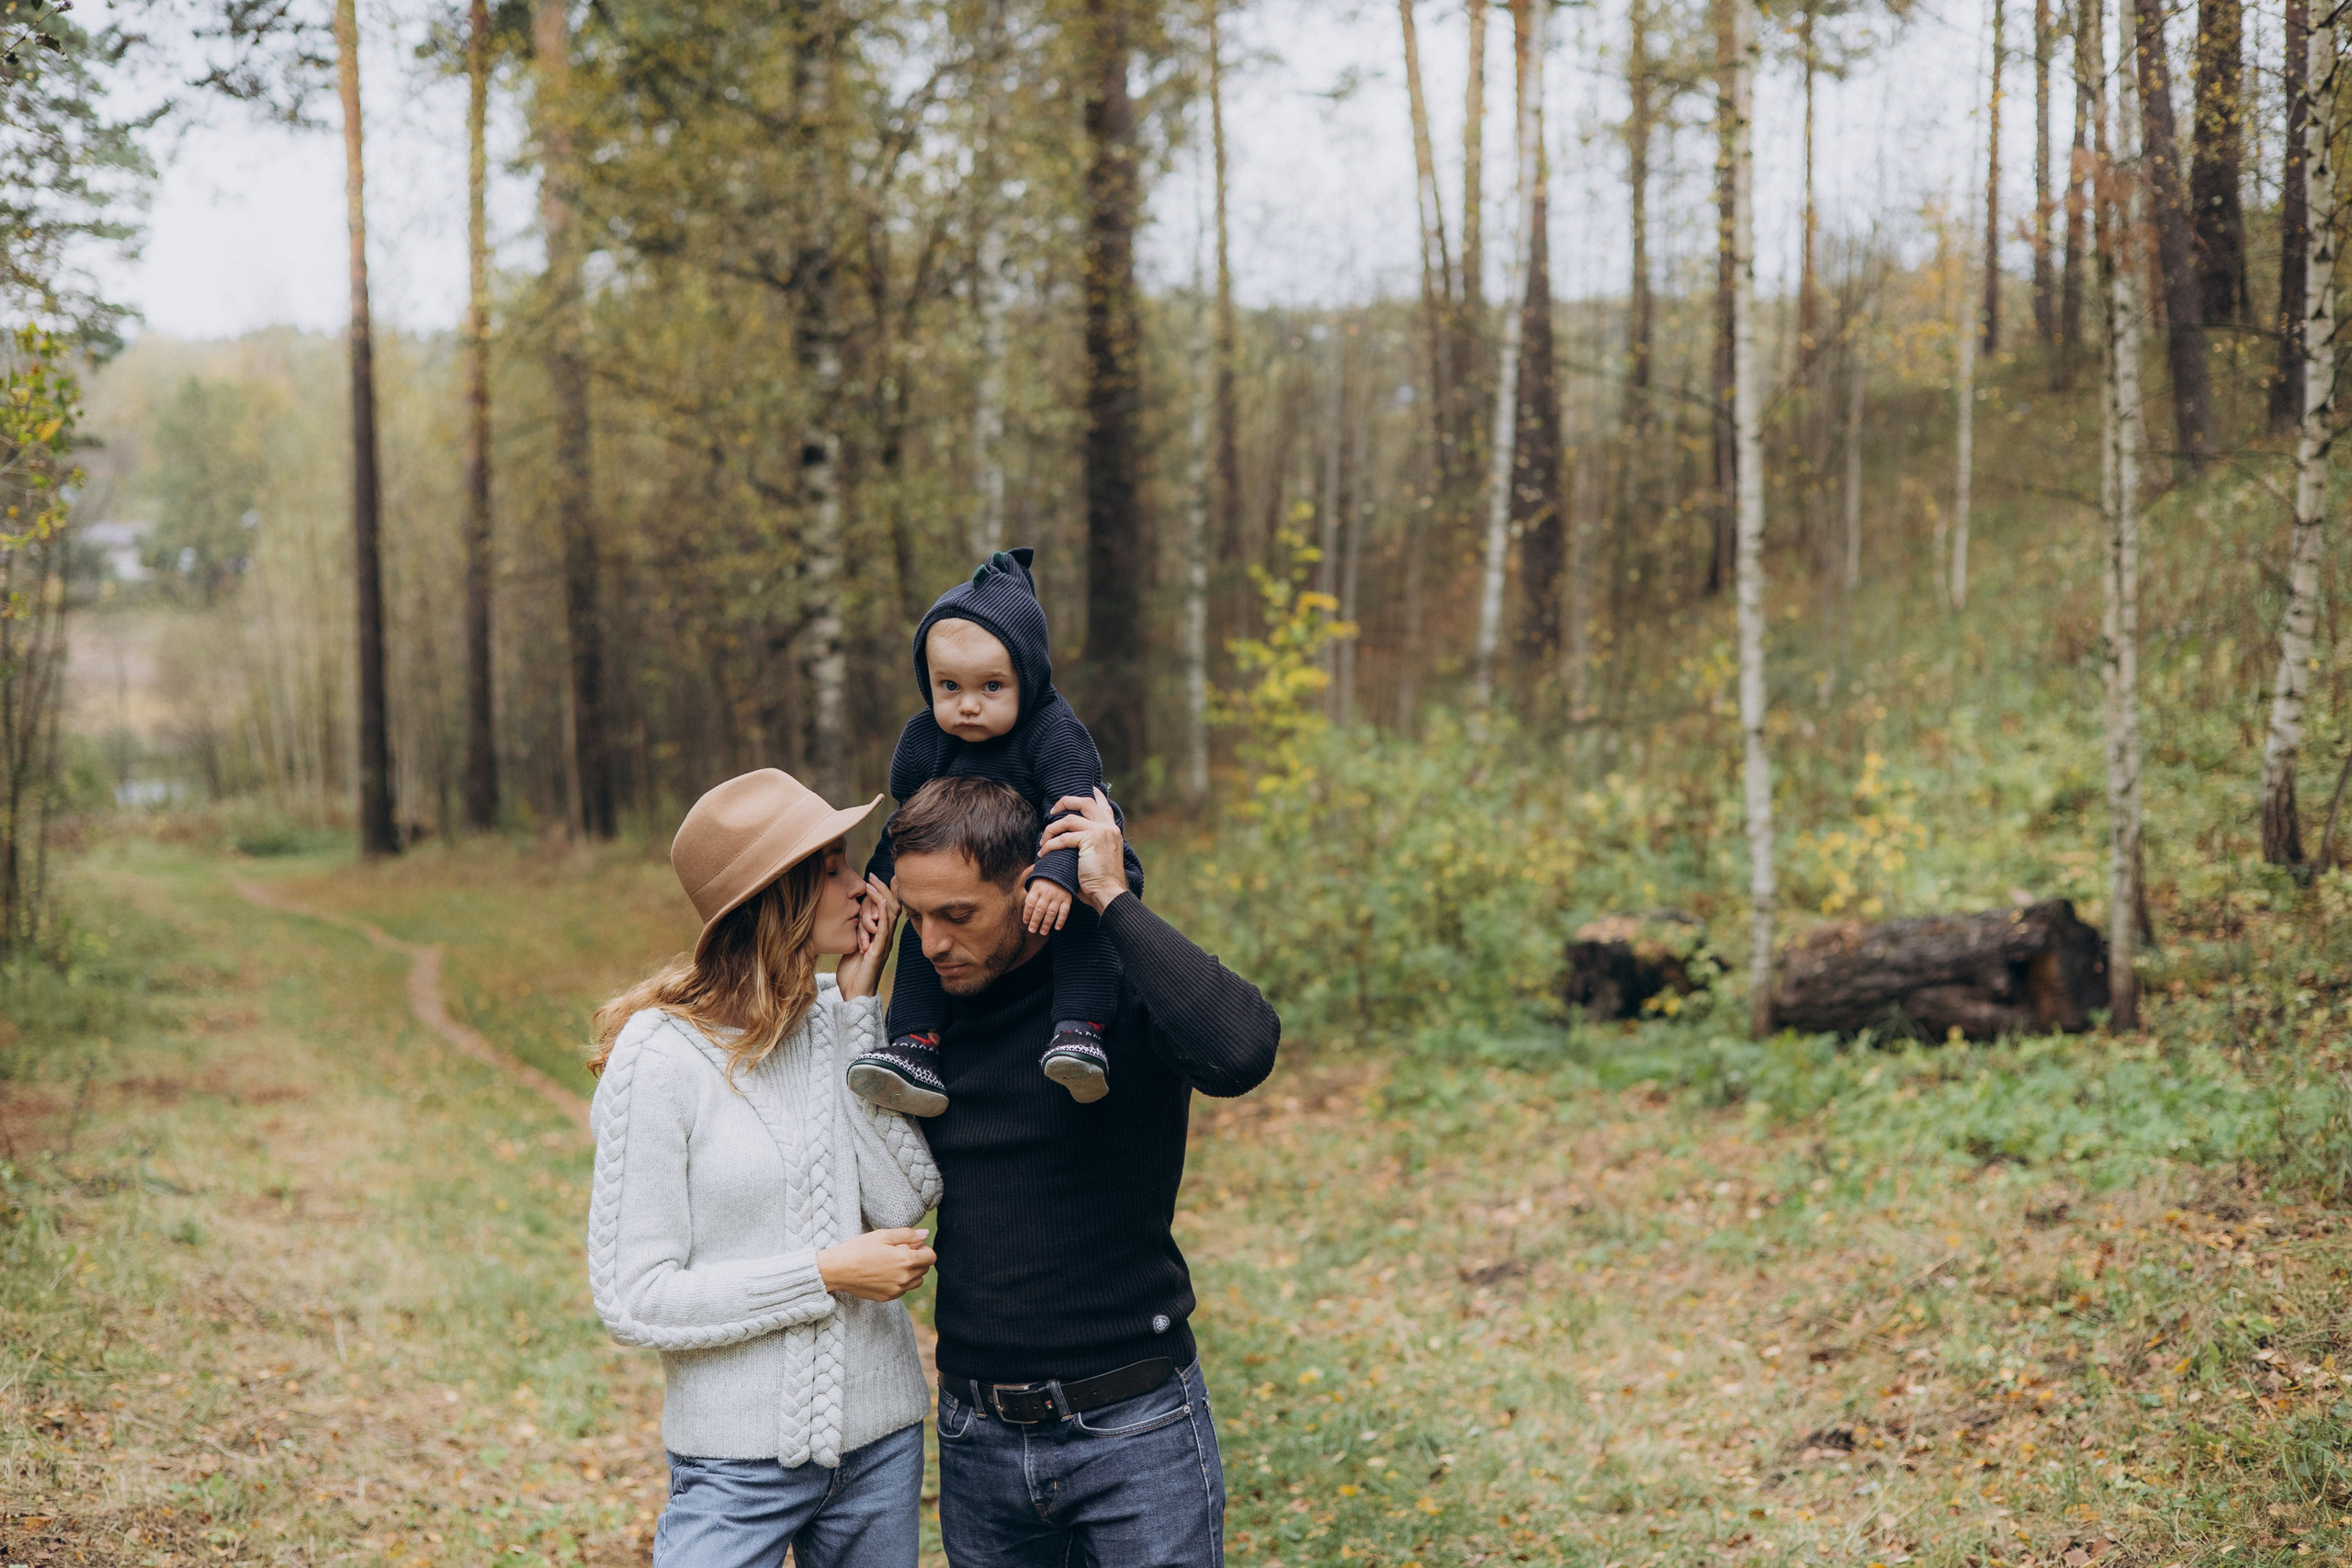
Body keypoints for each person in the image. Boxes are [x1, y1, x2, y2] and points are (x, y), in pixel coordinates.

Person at [885, 774, 1280, 1566]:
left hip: (1136, 1423)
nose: (930, 945)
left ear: (1033, 886)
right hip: (977, 1433)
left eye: (957, 914)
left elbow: (1241, 1051)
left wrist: (1111, 897)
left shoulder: (1110, 999)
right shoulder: (923, 1027)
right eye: (914, 915)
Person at [585, 768, 944, 1568]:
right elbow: (635, 1297)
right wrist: (824, 1272)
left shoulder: (839, 1017)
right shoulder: (660, 1056)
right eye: (833, 871)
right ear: (775, 897)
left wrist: (858, 1010)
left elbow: (901, 1202)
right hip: (732, 1468)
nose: (862, 888)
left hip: (881, 1448)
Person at [848, 547, 1146, 1116]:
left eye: (990, 687)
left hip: (1058, 855)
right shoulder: (925, 741)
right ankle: (914, 1043)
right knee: (927, 924)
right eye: (949, 687)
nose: (967, 707)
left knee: (1080, 919)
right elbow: (903, 826)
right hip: (961, 872)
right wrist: (881, 890)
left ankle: (1080, 1028)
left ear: (1026, 679)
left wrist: (1056, 875)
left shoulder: (1052, 731)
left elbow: (1076, 809)